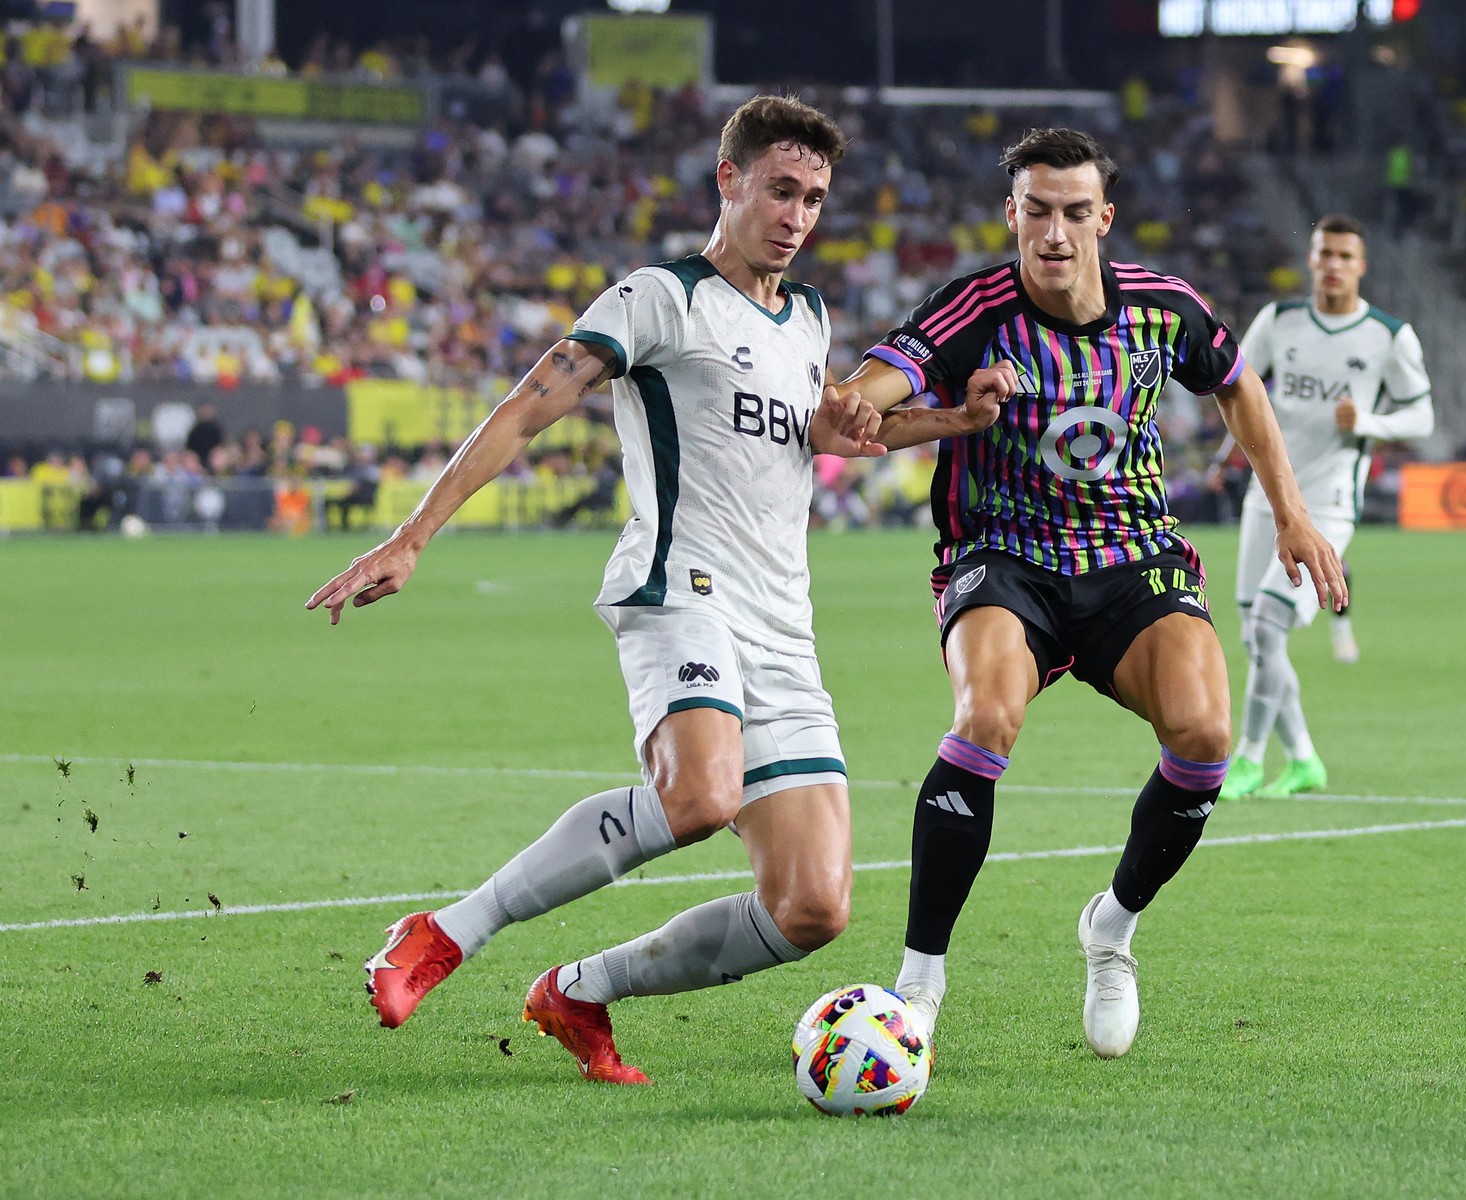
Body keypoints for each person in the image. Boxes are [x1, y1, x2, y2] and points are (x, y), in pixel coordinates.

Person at [307, 96, 1009, 1084]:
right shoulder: (657, 297)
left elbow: (827, 430)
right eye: (780, 190)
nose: (798, 213)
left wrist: (955, 423)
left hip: (783, 630)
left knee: (814, 907)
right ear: (728, 182)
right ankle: (447, 931)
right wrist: (413, 535)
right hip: (678, 588)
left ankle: (581, 991)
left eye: (813, 197)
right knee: (699, 796)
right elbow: (529, 403)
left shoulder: (807, 316)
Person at [826, 128, 1346, 1060]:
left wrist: (1292, 514)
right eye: (1037, 211)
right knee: (985, 717)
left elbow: (1239, 388)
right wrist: (881, 402)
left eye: (1074, 212)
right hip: (1005, 555)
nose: (1054, 231)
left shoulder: (1163, 308)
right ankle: (919, 984)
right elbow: (867, 398)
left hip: (1132, 558)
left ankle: (1112, 927)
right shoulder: (970, 310)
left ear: (1103, 217)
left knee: (1205, 736)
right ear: (1012, 215)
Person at [1219, 213, 1434, 801]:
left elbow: (1422, 415)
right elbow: (1239, 390)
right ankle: (1306, 759)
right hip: (1267, 500)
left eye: (1345, 256)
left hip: (1331, 506)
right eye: (1324, 254)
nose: (1333, 265)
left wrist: (1369, 422)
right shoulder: (1279, 321)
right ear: (1310, 260)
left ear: (1361, 266)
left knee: (1267, 625)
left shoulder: (1389, 335)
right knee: (1258, 638)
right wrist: (1221, 455)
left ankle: (1248, 759)